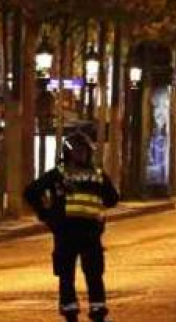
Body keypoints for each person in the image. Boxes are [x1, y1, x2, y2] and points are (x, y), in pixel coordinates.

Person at [23, 132, 119, 322]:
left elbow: (112, 198)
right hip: (75, 232)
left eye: (84, 151)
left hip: (83, 232)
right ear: (69, 153)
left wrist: (46, 213)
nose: (82, 154)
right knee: (72, 274)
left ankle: (93, 310)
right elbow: (31, 191)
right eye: (79, 151)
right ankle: (74, 311)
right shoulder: (72, 174)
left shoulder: (69, 174)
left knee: (90, 273)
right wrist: (46, 213)